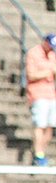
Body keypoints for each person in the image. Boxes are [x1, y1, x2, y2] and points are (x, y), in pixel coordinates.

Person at [25, 32, 56, 165]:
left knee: (49, 126)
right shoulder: (34, 53)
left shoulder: (52, 55)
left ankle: (41, 152)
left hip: (51, 94)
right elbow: (30, 75)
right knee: (40, 124)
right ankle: (38, 154)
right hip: (38, 94)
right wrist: (48, 72)